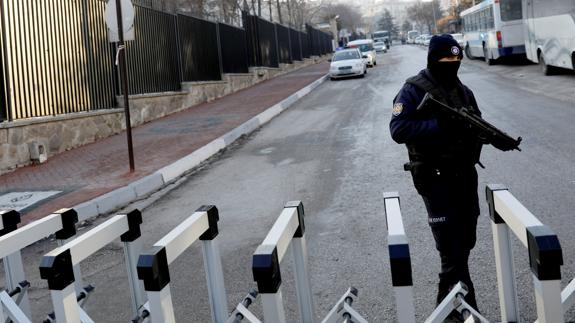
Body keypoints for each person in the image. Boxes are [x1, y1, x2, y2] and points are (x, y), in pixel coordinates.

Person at [389, 34, 483, 316]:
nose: (453, 65)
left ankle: (451, 309)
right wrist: (439, 125)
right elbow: (398, 129)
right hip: (435, 179)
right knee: (450, 250)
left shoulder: (463, 91)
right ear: (433, 60)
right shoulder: (413, 90)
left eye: (457, 60)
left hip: (465, 177)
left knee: (465, 243)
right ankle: (464, 309)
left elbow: (477, 121)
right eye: (447, 60)